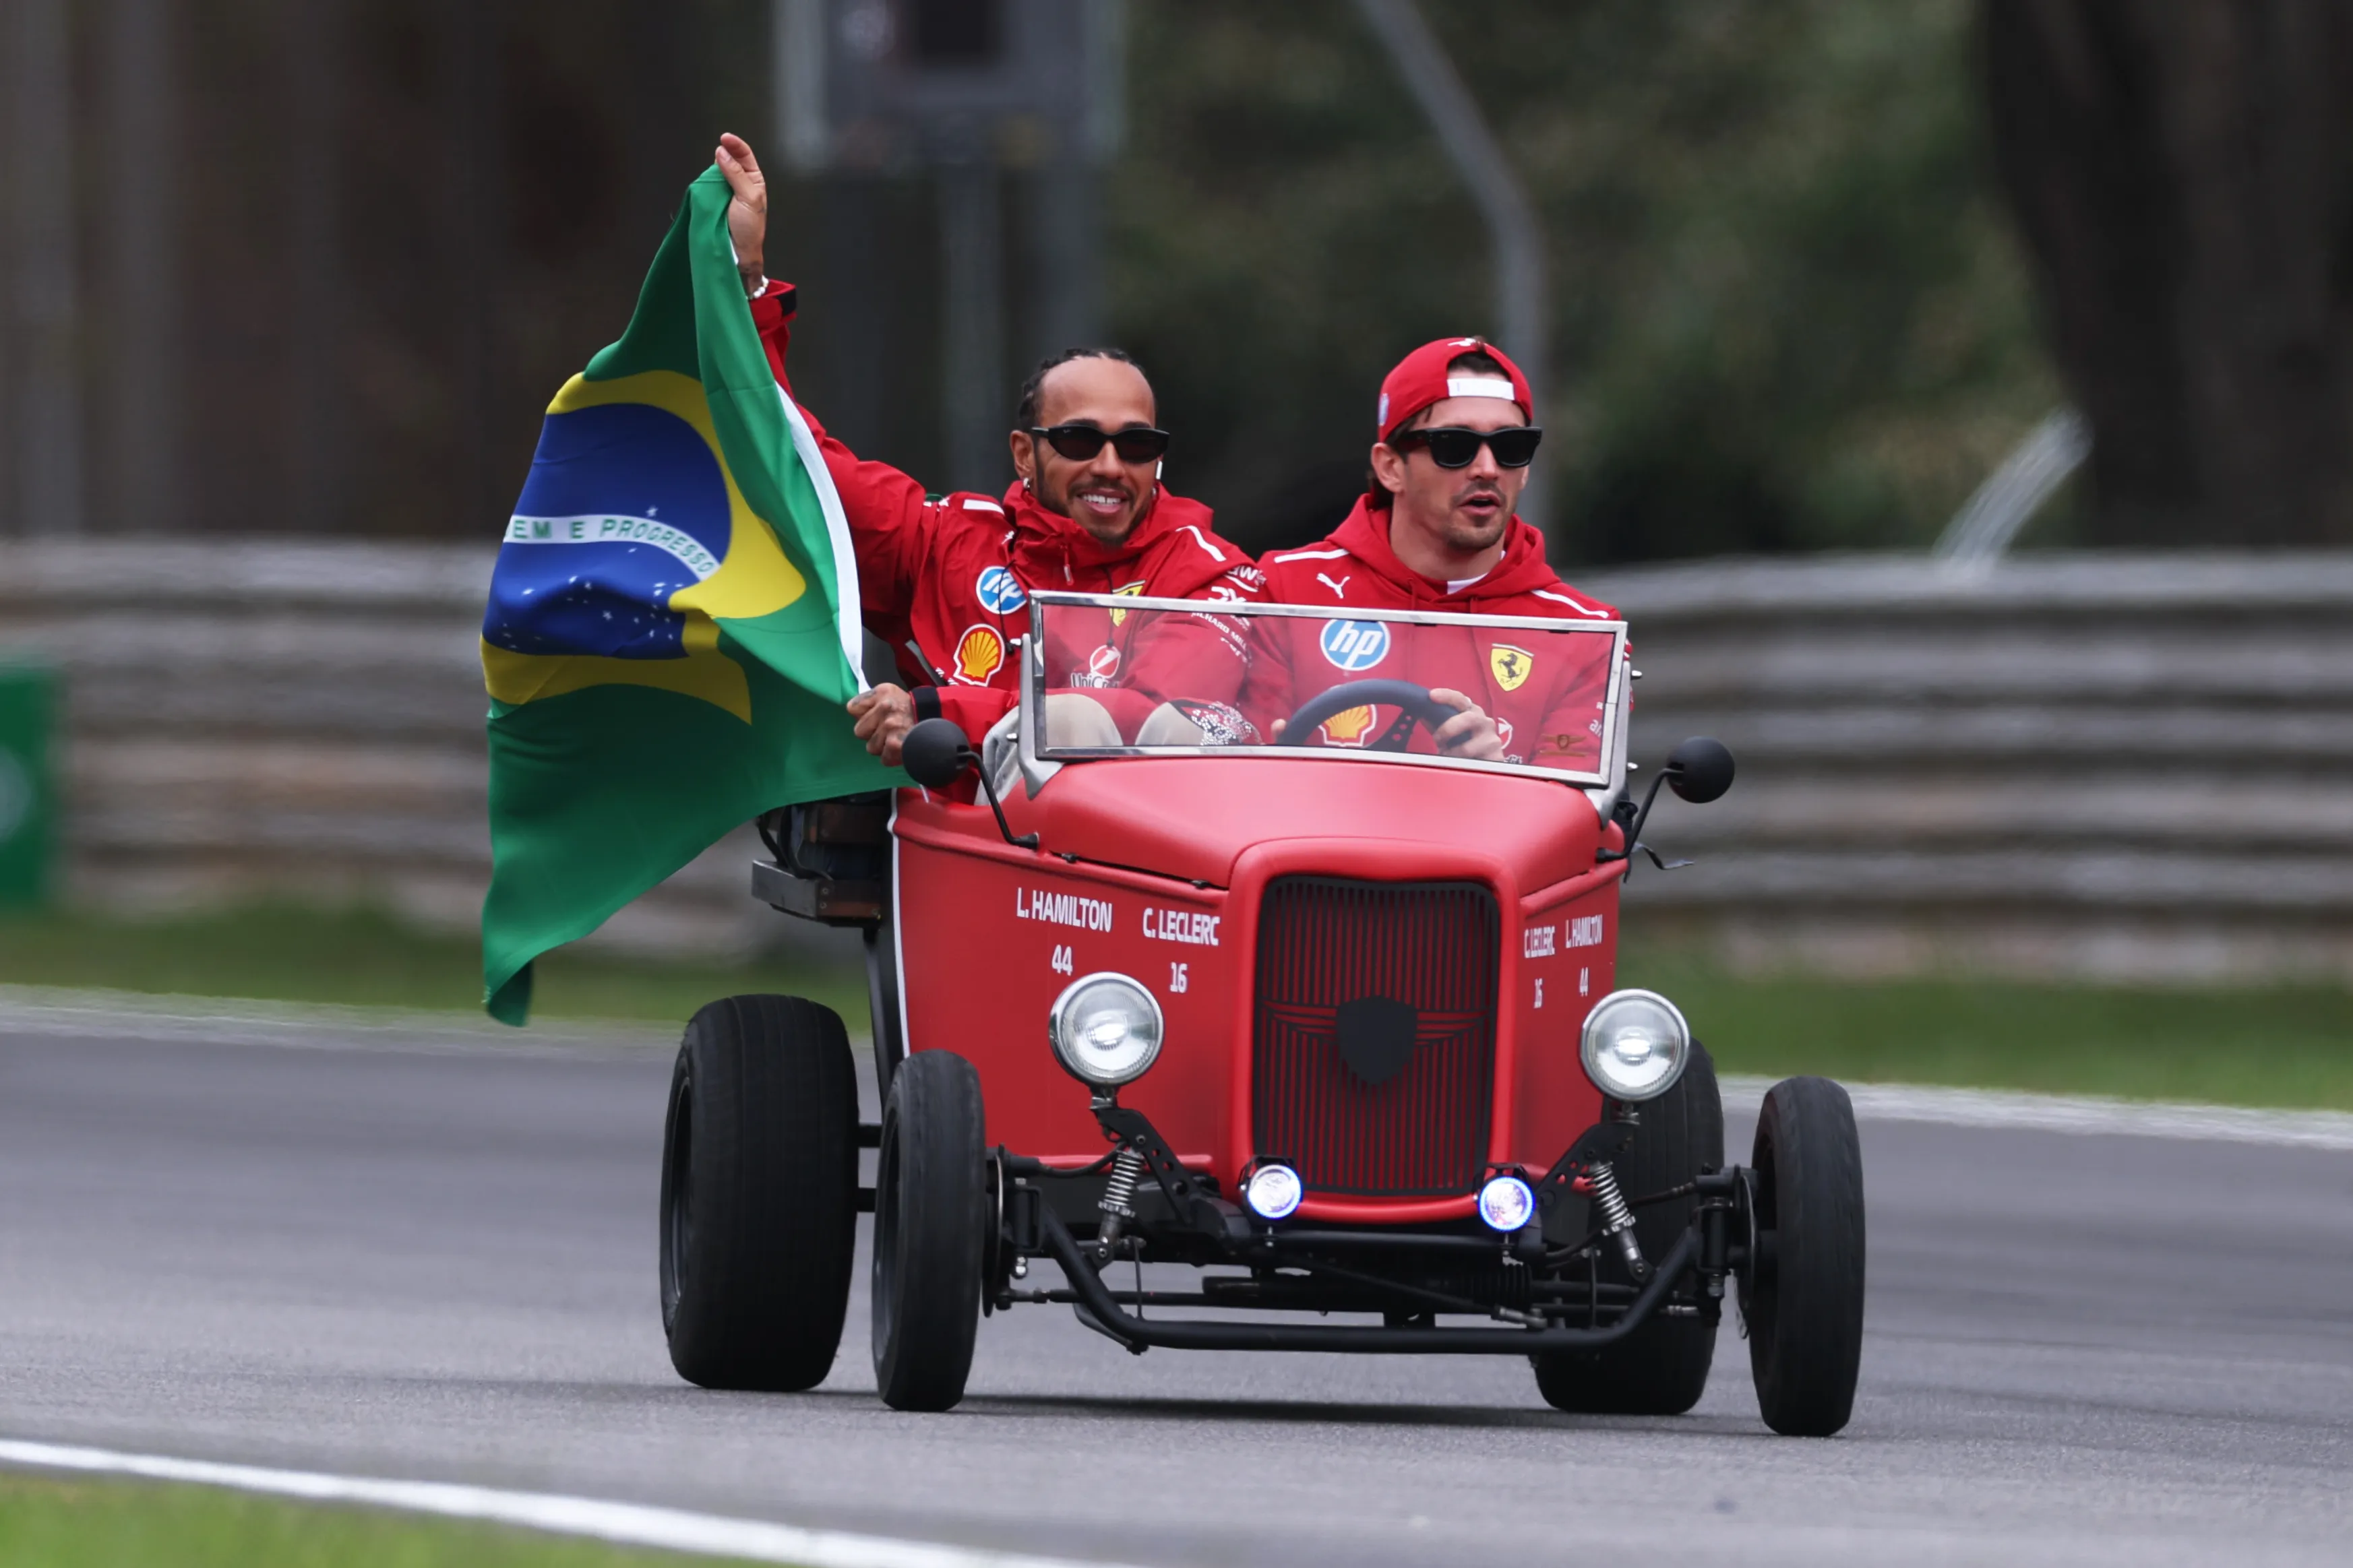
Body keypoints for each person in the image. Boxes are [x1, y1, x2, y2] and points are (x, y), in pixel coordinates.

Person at [712, 133, 1264, 767]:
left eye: (1136, 445)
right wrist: (745, 280)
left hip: (1126, 861)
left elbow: (1149, 717)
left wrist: (936, 710)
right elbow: (788, 467)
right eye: (1080, 440)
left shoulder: (1212, 576)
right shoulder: (945, 543)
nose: (1110, 466)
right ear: (1024, 455)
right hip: (959, 853)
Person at [1243, 336, 1622, 772]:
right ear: (1389, 468)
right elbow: (1236, 772)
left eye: (1511, 447)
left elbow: (1575, 816)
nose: (1487, 468)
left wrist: (1505, 780)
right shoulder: (1284, 589)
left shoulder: (1583, 633)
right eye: (1453, 445)